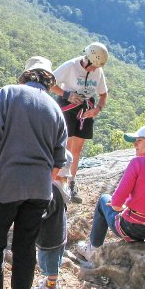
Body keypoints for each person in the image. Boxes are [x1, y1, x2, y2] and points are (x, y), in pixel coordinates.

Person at [0, 56, 68, 289]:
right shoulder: (56, 109)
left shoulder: (8, 93)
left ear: (27, 75)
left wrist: (1, 163)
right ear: (49, 80)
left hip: (4, 184)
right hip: (39, 190)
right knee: (25, 249)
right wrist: (39, 178)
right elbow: (57, 163)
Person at [74, 125, 145, 263]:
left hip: (135, 229)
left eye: (139, 141)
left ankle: (93, 250)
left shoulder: (137, 163)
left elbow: (116, 203)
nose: (135, 145)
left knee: (103, 200)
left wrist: (122, 207)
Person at [51, 42, 109, 203]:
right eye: (93, 67)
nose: (95, 70)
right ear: (88, 59)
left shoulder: (98, 71)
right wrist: (66, 94)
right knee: (65, 146)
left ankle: (71, 182)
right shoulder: (71, 66)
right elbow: (50, 82)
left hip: (85, 109)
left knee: (77, 148)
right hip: (67, 108)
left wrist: (97, 109)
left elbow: (103, 94)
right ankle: (57, 181)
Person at [31, 151, 72, 289]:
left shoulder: (52, 189)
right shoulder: (63, 186)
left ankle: (50, 288)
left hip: (50, 235)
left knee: (49, 262)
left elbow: (44, 211)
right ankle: (50, 282)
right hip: (59, 232)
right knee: (53, 260)